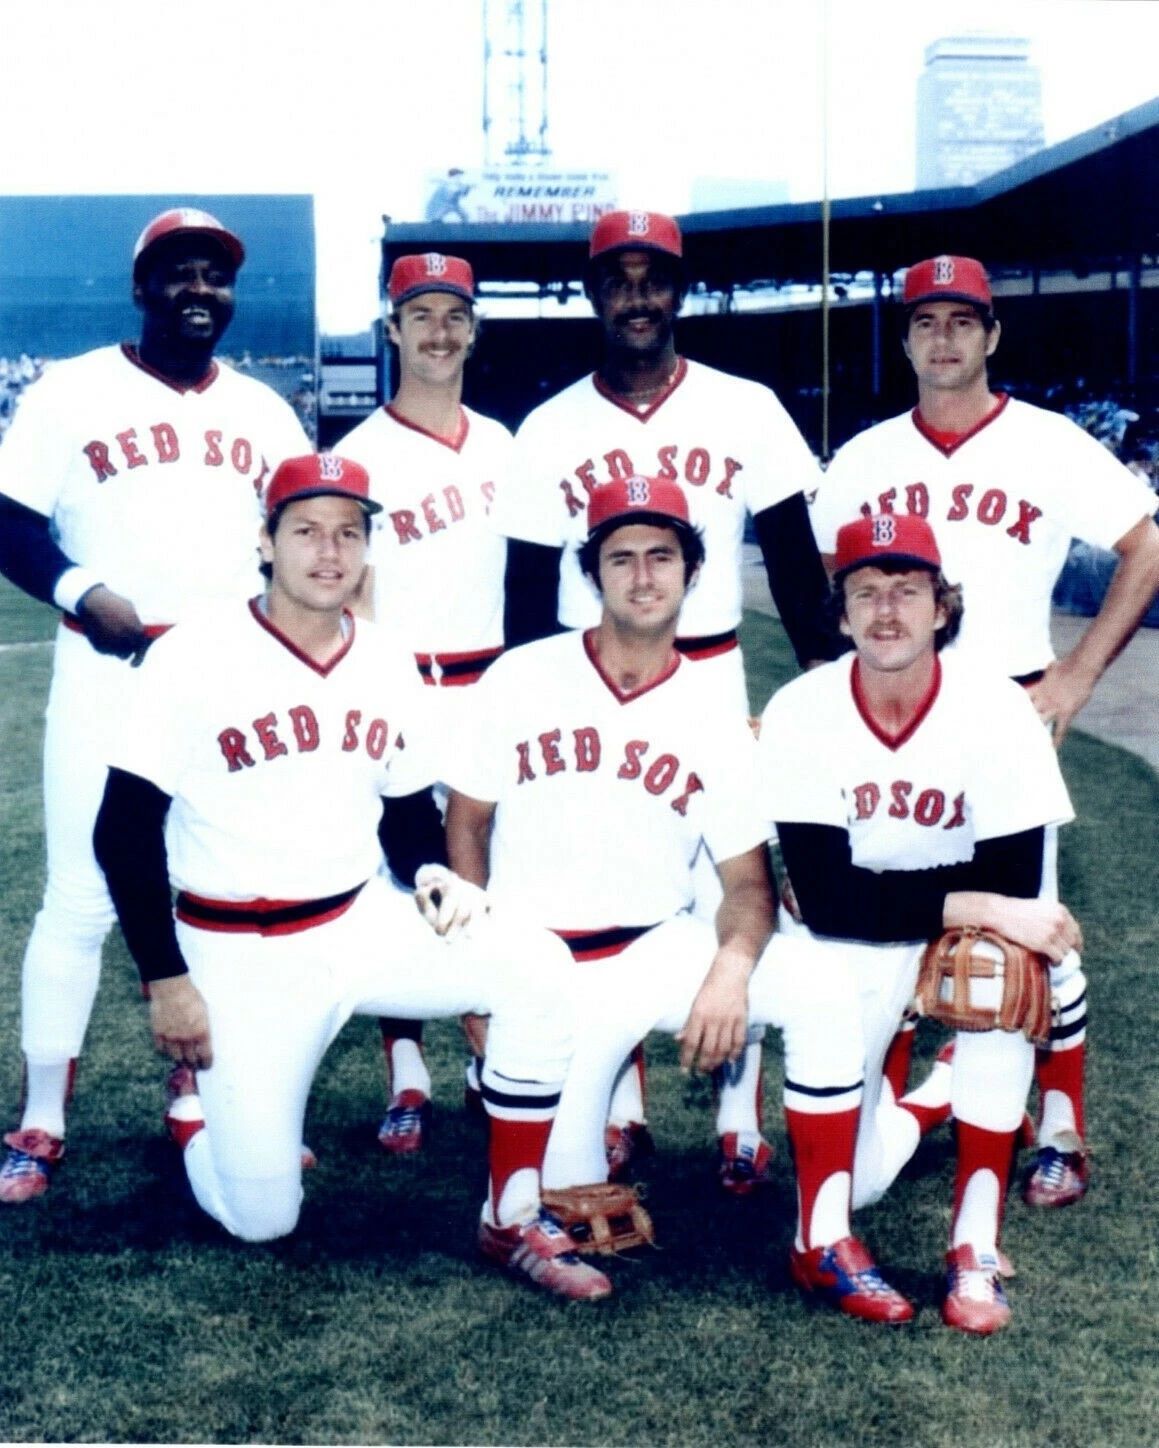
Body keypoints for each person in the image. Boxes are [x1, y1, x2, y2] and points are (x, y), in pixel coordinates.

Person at [91, 451, 610, 1302]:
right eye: (305, 531)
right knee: (263, 1219)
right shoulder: (191, 655)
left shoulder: (385, 660)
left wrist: (432, 872)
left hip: (358, 920)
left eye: (348, 533)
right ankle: (196, 1118)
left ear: (368, 549)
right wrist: (167, 980)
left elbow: (404, 816)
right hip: (239, 949)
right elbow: (121, 832)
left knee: (539, 969)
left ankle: (511, 1215)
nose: (328, 552)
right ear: (265, 542)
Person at [445, 473, 899, 1310]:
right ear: (591, 573)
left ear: (693, 572)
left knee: (822, 986)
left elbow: (745, 883)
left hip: (652, 951)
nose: (642, 575)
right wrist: (480, 971)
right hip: (540, 972)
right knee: (558, 1193)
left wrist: (729, 969)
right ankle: (536, 1155)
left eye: (662, 555)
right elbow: (466, 825)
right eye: (620, 557)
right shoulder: (521, 676)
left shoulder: (709, 708)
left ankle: (821, 1237)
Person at [490, 209, 833, 1188]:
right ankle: (619, 1105)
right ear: (591, 294)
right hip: (589, 681)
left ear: (679, 291)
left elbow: (799, 578)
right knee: (608, 881)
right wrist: (534, 712)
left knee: (731, 887)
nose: (636, 297)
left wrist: (823, 705)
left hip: (710, 671)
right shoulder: (549, 428)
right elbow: (524, 602)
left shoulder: (746, 407)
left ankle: (737, 1112)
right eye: (617, 279)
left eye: (653, 278)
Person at [810, 254, 1159, 1208]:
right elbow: (826, 586)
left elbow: (1145, 544)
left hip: (1004, 708)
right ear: (904, 339)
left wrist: (1075, 676)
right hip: (888, 711)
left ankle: (1060, 1127)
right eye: (925, 322)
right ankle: (901, 1100)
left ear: (992, 334)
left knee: (1025, 929)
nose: (944, 338)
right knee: (892, 920)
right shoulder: (865, 457)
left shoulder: (1046, 442)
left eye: (962, 321)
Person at [0, 208, 312, 1202]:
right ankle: (41, 1116)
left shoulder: (265, 411)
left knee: (210, 891)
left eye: (215, 275)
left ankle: (199, 1092)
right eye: (179, 272)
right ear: (142, 287)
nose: (198, 290)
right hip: (110, 667)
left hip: (222, 684)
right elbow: (9, 521)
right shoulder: (70, 391)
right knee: (79, 896)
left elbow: (303, 537)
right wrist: (78, 589)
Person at [760, 512, 1081, 1332]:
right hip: (850, 943)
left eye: (907, 591)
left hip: (962, 941)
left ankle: (973, 1245)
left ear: (942, 608)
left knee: (998, 968)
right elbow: (824, 898)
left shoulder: (996, 708)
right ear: (838, 615)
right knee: (859, 1182)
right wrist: (965, 899)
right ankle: (939, 1091)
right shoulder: (800, 708)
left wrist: (944, 903)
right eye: (864, 592)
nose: (885, 611)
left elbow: (1014, 884)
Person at [340, 252, 510, 1155]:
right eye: (420, 316)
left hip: (491, 685)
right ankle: (407, 1069)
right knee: (399, 875)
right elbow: (354, 598)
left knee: (493, 871)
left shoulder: (506, 447)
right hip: (404, 684)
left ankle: (492, 1054)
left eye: (453, 316)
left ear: (473, 331)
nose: (438, 333)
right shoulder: (358, 456)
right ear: (392, 330)